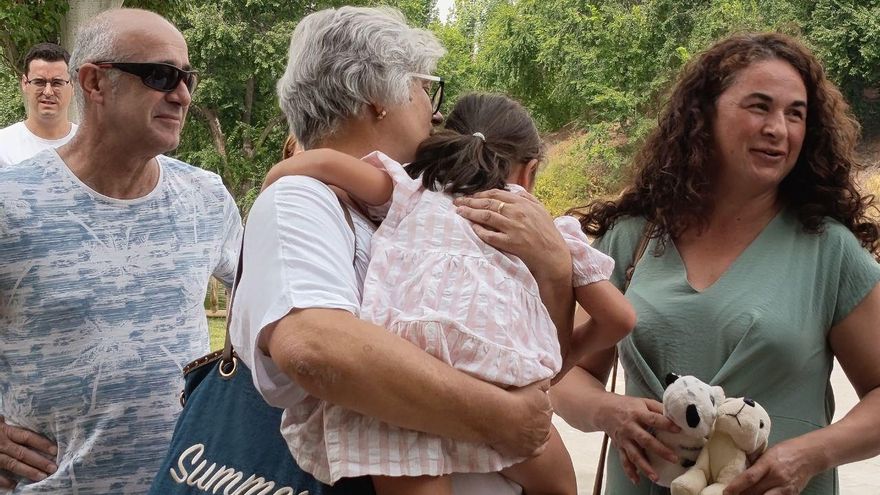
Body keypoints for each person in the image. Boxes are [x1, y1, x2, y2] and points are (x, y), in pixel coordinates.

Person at [457, 32, 880, 494]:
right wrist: (608, 412)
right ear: (705, 116)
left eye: (795, 113)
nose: (779, 128)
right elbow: (563, 371)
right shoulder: (632, 239)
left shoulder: (830, 251)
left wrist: (810, 455)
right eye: (759, 106)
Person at [229, 6, 575, 495]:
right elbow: (315, 346)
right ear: (376, 99)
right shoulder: (302, 199)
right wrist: (507, 419)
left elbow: (539, 358)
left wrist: (555, 271)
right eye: (424, 88)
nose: (435, 111)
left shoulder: (422, 206)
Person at [261, 92, 637, 494]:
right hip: (498, 374)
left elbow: (328, 164)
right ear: (528, 172)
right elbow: (619, 318)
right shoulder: (539, 224)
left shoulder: (411, 185)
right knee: (560, 484)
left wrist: (279, 177)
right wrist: (559, 361)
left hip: (408, 366)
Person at [0, 9, 241, 494]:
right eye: (161, 76)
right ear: (94, 82)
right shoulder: (10, 201)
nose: (183, 95)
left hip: (187, 484)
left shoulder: (206, 197)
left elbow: (273, 305)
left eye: (187, 77)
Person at [0, 43, 78, 167]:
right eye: (39, 82)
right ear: (25, 83)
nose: (48, 92)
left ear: (73, 85)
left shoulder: (90, 146)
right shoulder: (3, 147)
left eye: (57, 83)